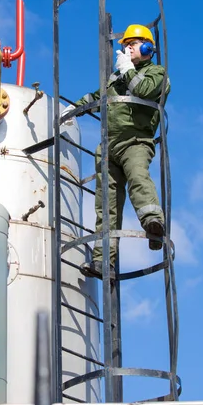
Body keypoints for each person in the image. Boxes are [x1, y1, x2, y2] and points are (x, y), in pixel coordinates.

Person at [61, 24, 170, 279]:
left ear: (147, 48)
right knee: (105, 204)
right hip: (109, 146)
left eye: (133, 43)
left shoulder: (157, 74)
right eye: (125, 44)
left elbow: (144, 90)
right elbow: (98, 97)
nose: (127, 48)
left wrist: (128, 70)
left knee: (138, 178)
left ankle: (154, 225)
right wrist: (73, 110)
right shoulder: (118, 77)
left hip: (135, 140)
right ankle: (102, 261)